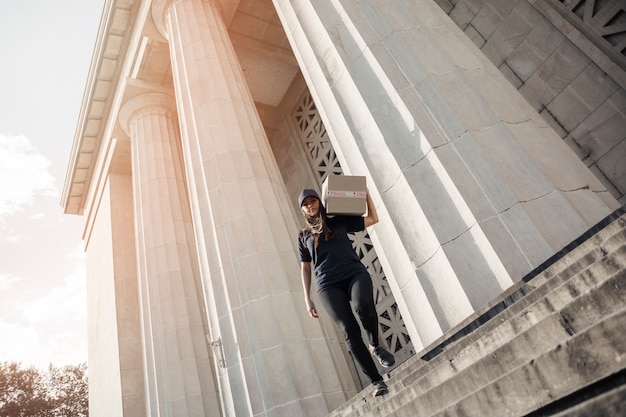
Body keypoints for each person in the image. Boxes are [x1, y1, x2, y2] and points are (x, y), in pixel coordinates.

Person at [297, 187, 395, 397]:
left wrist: (365, 193)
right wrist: (307, 298)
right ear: (302, 210)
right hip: (327, 284)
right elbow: (305, 267)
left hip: (353, 273)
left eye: (312, 201)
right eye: (305, 204)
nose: (310, 206)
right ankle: (377, 381)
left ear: (319, 202)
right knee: (348, 330)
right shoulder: (303, 235)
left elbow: (372, 218)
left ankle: (375, 345)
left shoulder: (337, 219)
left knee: (364, 306)